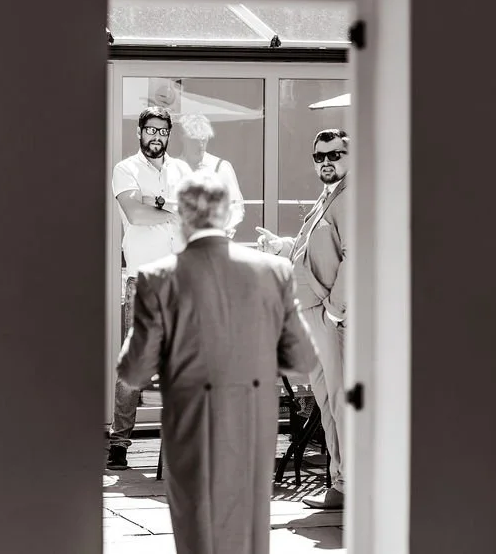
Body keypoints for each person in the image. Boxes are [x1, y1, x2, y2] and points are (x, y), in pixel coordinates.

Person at [117, 171, 319, 554]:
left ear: (184, 217)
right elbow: (301, 358)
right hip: (251, 418)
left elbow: (134, 370)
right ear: (228, 215)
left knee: (194, 525)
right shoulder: (272, 271)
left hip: (189, 417)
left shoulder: (157, 278)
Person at [255, 128, 350, 510]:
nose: (326, 162)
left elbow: (354, 257)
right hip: (313, 314)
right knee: (327, 402)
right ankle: (342, 482)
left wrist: (335, 311)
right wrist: (281, 246)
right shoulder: (329, 196)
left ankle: (351, 483)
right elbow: (314, 252)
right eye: (319, 157)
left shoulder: (351, 197)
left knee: (342, 401)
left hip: (332, 319)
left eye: (335, 154)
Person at [106, 106, 194, 470]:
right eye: (150, 130)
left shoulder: (182, 170)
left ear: (169, 134)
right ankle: (120, 443)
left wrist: (158, 205)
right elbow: (136, 214)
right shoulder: (126, 169)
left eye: (162, 131)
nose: (156, 136)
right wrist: (170, 211)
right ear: (139, 132)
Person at [175, 113, 245, 238]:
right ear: (182, 138)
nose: (200, 146)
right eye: (194, 140)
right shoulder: (172, 167)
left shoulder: (221, 167)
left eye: (204, 140)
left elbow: (237, 207)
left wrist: (223, 229)